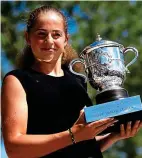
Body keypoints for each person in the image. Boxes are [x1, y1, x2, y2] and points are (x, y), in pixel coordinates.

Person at [1, 5, 142, 158]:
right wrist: (73, 135)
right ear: (28, 37)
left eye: (56, 35)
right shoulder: (17, 80)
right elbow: (14, 148)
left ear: (66, 39)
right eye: (41, 34)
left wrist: (113, 136)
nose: (49, 41)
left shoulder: (78, 80)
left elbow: (83, 145)